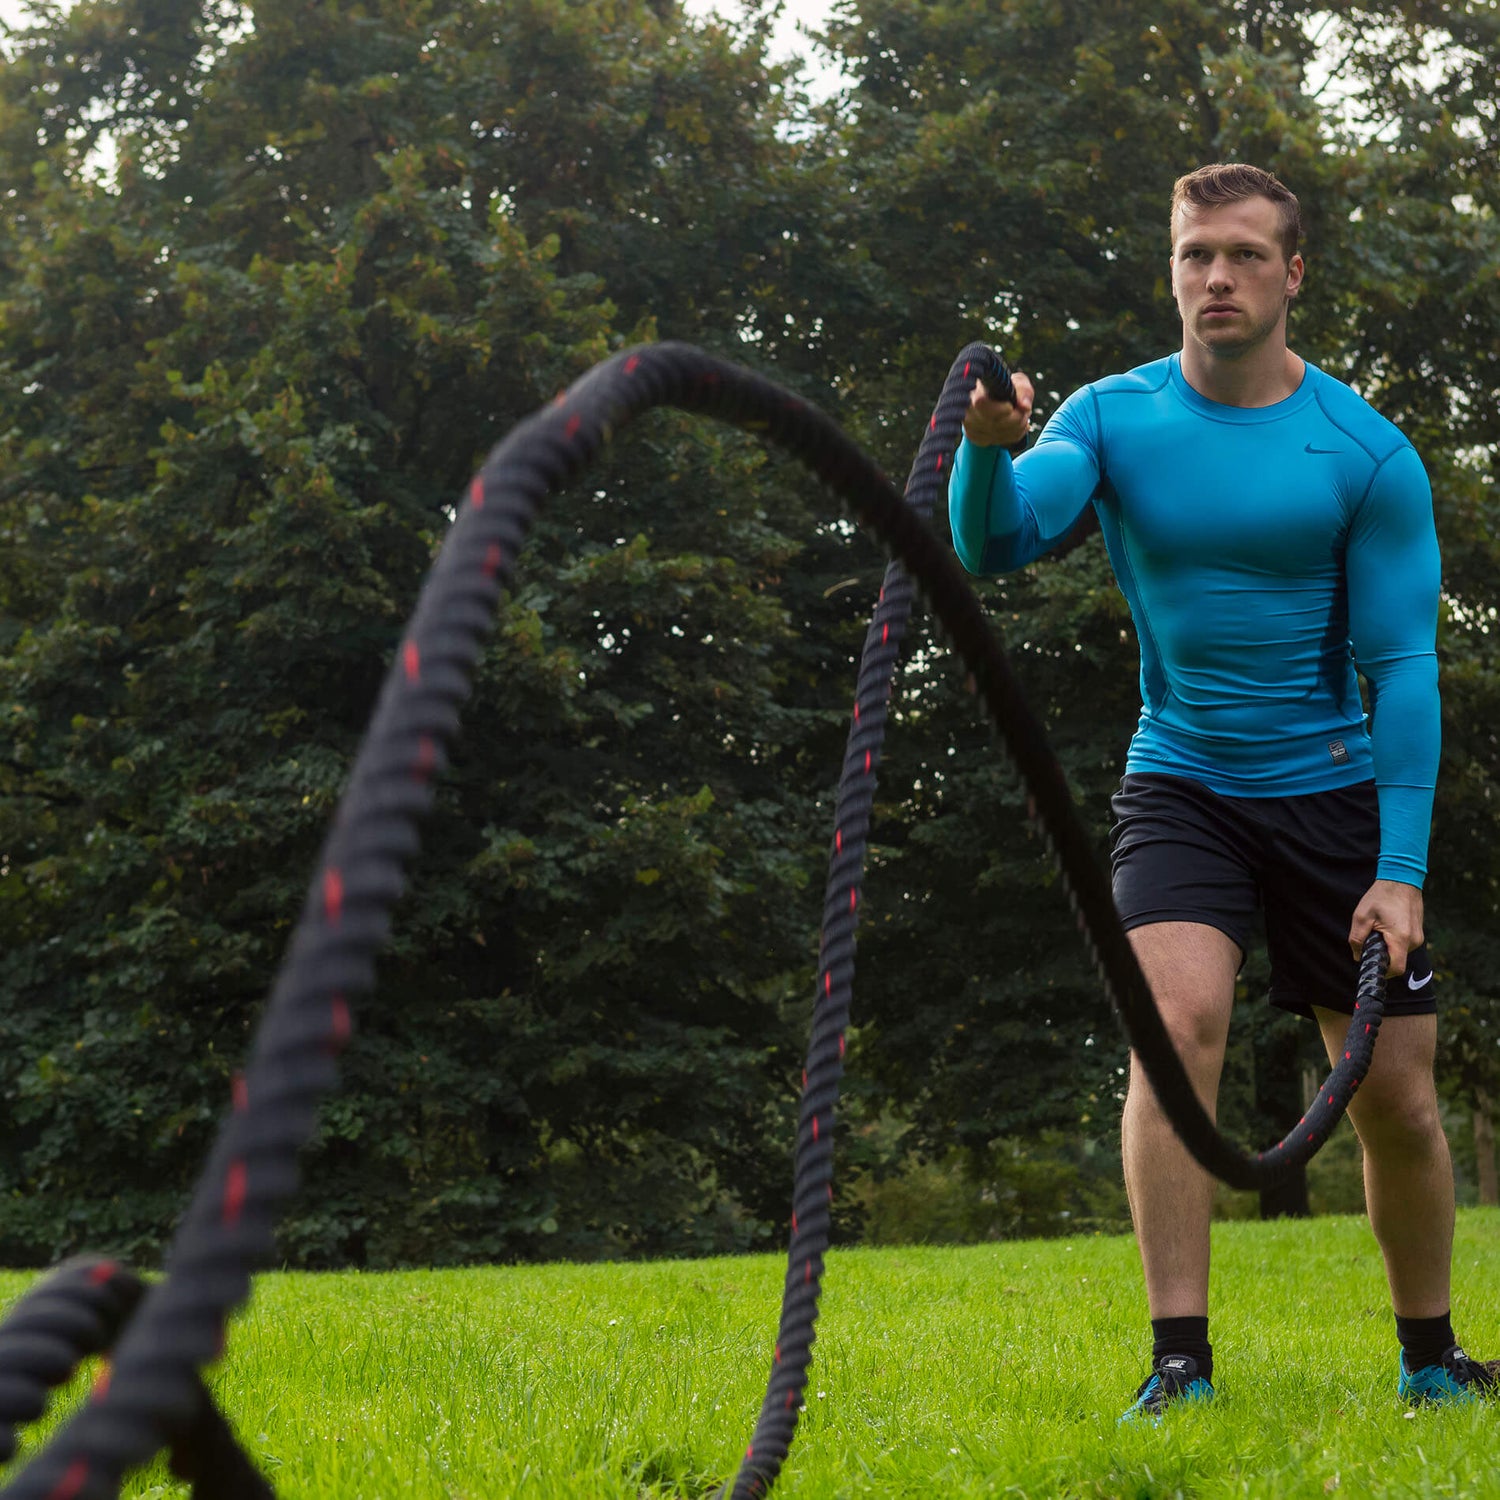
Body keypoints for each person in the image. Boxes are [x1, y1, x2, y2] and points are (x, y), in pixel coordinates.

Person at [947, 162, 1494, 1418]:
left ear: (1293, 273)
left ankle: (1430, 1360)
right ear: (1173, 270)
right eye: (1196, 254)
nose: (1218, 277)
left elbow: (1404, 670)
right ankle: (1179, 1364)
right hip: (1181, 779)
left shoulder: (1365, 451)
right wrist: (983, 452)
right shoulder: (1109, 416)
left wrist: (1401, 872)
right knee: (1175, 1026)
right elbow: (997, 541)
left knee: (1398, 1102)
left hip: (1335, 794)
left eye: (1246, 254)